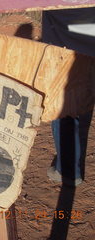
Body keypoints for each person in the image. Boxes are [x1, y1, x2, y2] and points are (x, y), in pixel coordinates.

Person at [42, 7, 95, 186]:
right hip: (89, 30)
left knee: (64, 106)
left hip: (64, 38)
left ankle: (68, 170)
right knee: (84, 97)